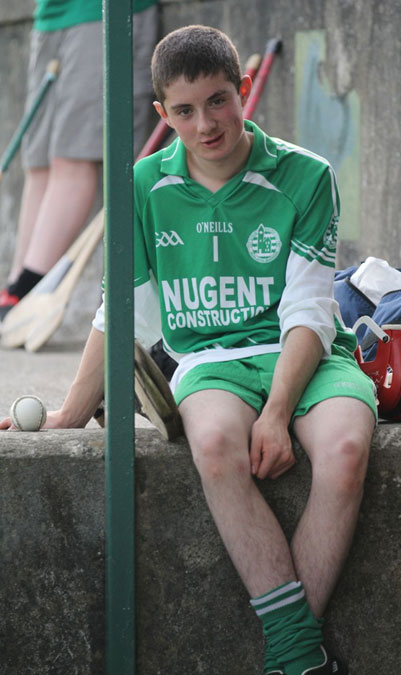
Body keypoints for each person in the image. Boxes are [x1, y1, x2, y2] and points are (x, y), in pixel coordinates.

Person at [0, 25, 377, 674]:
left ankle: (289, 653)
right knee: (213, 444)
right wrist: (69, 411)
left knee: (345, 447)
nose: (205, 123)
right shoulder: (143, 185)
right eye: (184, 109)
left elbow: (310, 314)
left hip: (308, 355)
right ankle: (299, 657)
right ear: (161, 113)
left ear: (244, 90)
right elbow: (123, 311)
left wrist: (279, 412)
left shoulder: (306, 176)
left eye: (219, 101)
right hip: (211, 361)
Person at [0, 0, 158, 320]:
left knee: (71, 157)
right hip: (50, 15)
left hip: (102, 10)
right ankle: (15, 283)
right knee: (38, 163)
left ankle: (26, 289)